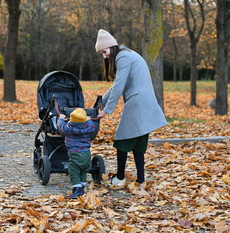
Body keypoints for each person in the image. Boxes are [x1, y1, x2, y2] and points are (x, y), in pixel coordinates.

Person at [95, 29, 168, 188]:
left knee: (122, 139)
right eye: (101, 53)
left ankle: (120, 178)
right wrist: (101, 100)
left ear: (112, 47)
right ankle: (141, 181)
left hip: (137, 102)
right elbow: (117, 84)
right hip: (144, 101)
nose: (104, 56)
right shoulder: (126, 55)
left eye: (104, 51)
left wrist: (106, 110)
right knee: (138, 144)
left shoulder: (123, 57)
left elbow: (119, 85)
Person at [58, 108, 96, 198]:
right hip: (86, 154)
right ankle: (82, 188)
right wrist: (89, 119)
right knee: (83, 171)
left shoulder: (68, 128)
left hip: (75, 154)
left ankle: (77, 190)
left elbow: (61, 126)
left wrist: (61, 118)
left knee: (73, 172)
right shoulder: (89, 127)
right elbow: (92, 125)